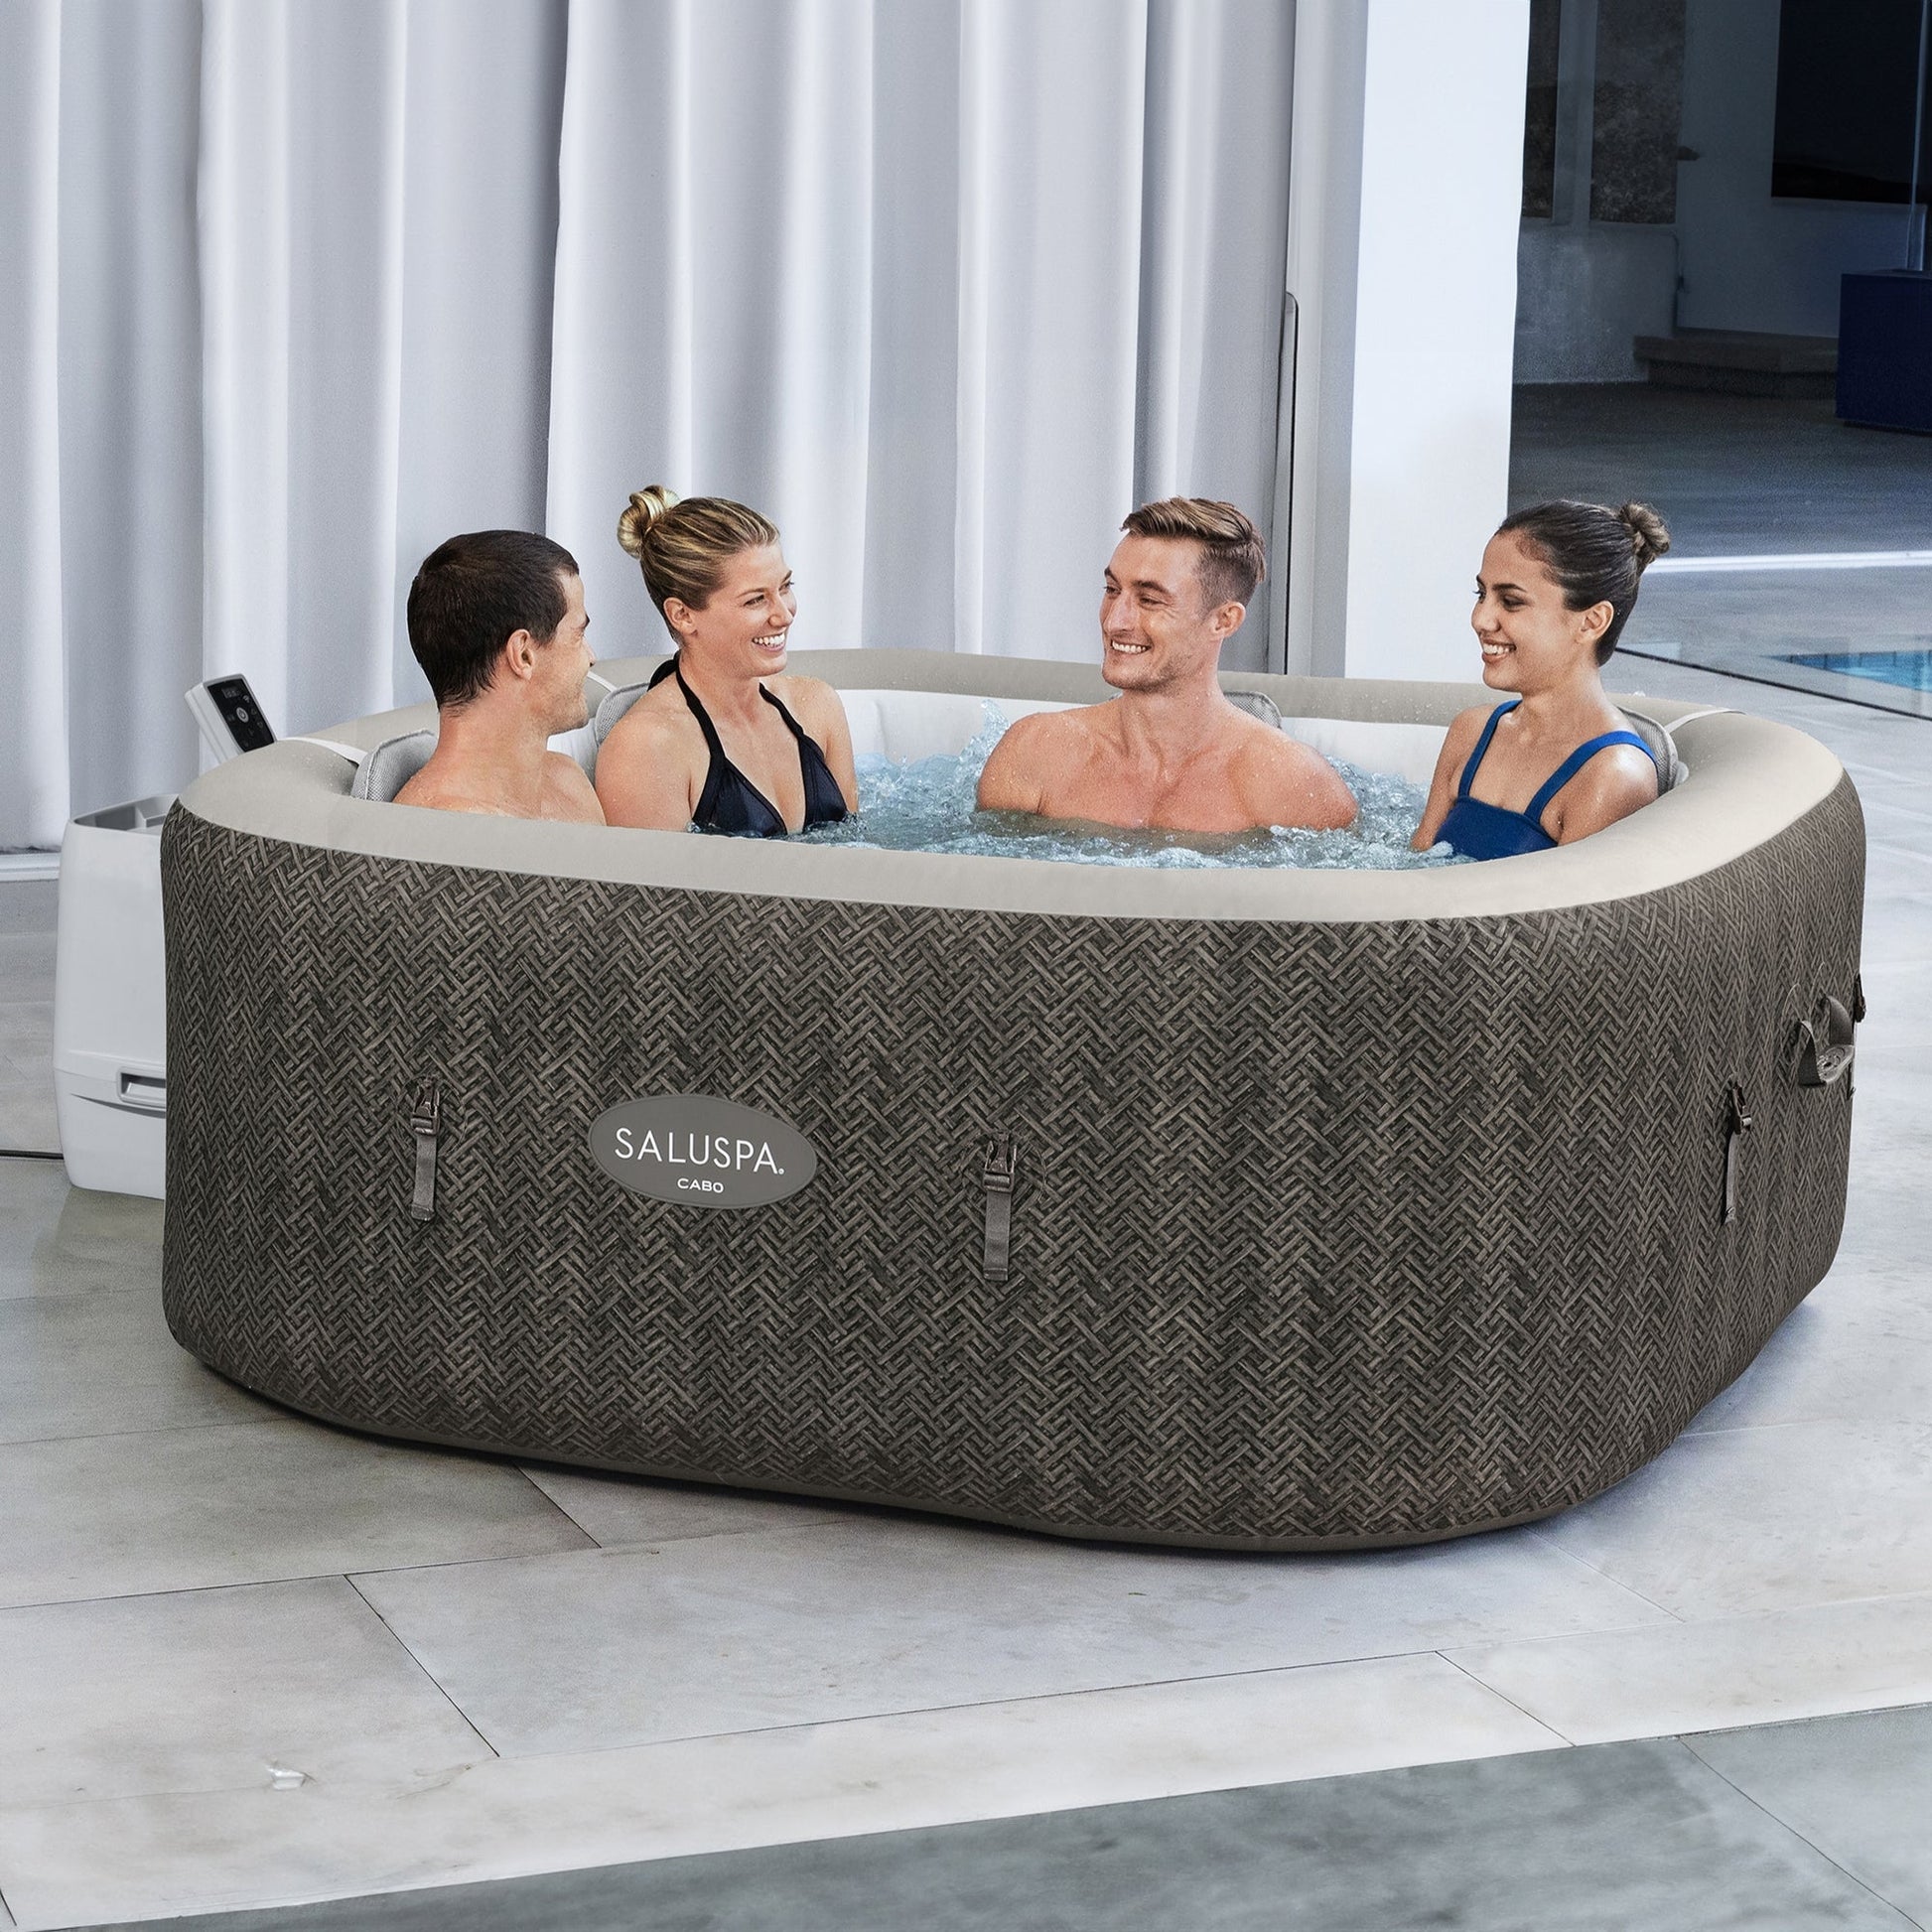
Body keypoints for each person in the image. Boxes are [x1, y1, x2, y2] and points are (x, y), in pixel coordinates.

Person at [975, 498, 1357, 834]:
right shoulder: (1036, 754)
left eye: (1149, 600)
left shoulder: (1291, 785)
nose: (1114, 621)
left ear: (1223, 620)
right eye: (1112, 590)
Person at [1412, 500, 1667, 859]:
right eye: (1481, 594)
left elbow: (1563, 900)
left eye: (1511, 601)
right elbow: (1413, 865)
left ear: (1591, 622)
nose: (1480, 619)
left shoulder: (1610, 776)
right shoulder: (1471, 731)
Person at [597, 488, 858, 835]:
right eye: (755, 600)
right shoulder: (646, 748)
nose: (784, 615)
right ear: (683, 615)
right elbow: (650, 874)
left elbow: (859, 850)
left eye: (785, 586)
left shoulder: (817, 708)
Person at [393, 530, 604, 823]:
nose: (591, 657)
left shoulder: (568, 783)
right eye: (578, 635)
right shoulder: (442, 829)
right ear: (524, 655)